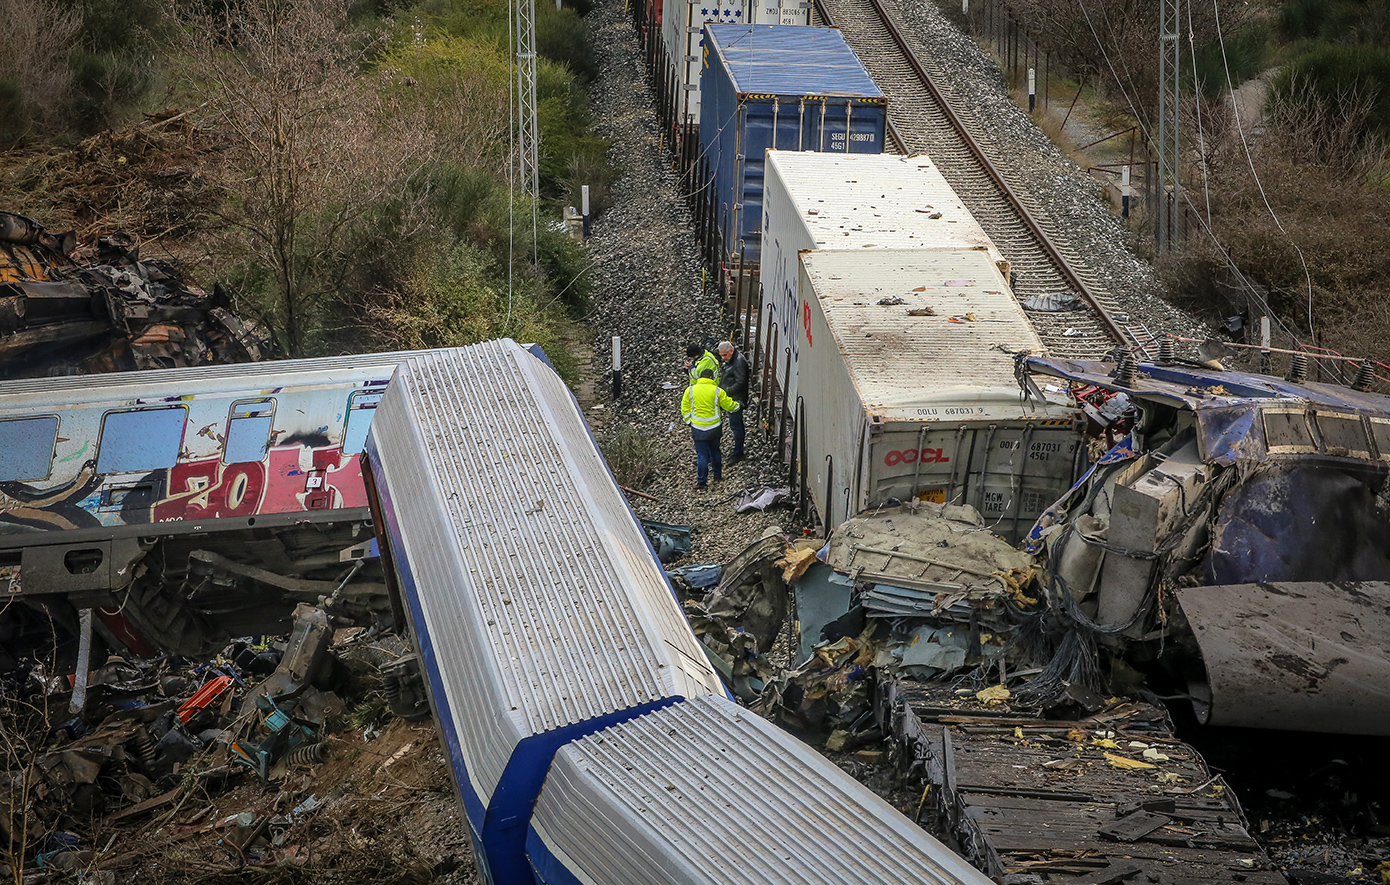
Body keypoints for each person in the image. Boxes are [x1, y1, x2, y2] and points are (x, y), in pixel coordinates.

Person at [680, 367, 739, 490]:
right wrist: (738, 405)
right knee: (715, 451)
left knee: (701, 455)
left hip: (698, 427)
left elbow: (684, 407)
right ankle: (717, 475)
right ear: (711, 378)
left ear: (700, 377)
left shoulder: (690, 390)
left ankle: (702, 482)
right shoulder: (717, 391)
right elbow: (729, 405)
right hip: (714, 427)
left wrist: (688, 421)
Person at [717, 340, 749, 462]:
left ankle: (738, 452)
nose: (723, 358)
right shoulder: (734, 360)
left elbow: (741, 382)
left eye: (725, 355)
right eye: (722, 355)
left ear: (731, 351)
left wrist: (727, 391)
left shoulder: (739, 362)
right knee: (735, 425)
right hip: (732, 398)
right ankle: (736, 451)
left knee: (736, 426)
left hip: (736, 400)